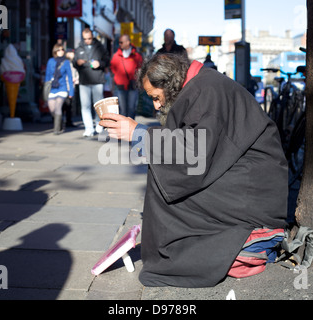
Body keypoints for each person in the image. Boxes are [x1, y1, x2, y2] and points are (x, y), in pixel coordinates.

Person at [99, 54, 288, 288]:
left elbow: (194, 152)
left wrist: (138, 133)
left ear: (170, 84)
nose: (157, 105)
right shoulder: (202, 85)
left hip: (253, 194)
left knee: (165, 177)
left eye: (156, 98)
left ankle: (237, 246)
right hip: (247, 180)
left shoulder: (206, 90)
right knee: (165, 170)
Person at [75, 28, 110, 137]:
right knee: (85, 105)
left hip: (97, 80)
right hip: (84, 81)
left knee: (98, 105)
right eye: (85, 39)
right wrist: (77, 62)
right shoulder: (79, 48)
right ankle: (88, 128)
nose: (87, 41)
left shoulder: (100, 47)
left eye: (89, 38)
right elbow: (74, 62)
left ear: (93, 36)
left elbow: (107, 60)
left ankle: (99, 126)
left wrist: (100, 63)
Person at [110, 34, 143, 119]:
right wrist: (115, 82)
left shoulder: (137, 56)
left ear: (128, 42)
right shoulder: (116, 56)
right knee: (123, 110)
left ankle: (131, 129)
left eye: (121, 42)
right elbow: (113, 69)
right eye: (119, 42)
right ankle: (123, 130)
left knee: (132, 109)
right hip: (121, 87)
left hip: (133, 86)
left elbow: (142, 69)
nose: (119, 44)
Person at [45, 43, 74, 135]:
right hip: (53, 88)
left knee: (58, 107)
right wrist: (46, 88)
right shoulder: (50, 61)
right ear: (55, 51)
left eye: (62, 50)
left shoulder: (66, 62)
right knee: (52, 109)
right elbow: (47, 76)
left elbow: (69, 77)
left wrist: (71, 92)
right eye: (59, 49)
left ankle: (56, 129)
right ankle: (59, 121)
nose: (61, 51)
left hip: (62, 88)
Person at [62, 48, 79, 128]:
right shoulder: (64, 63)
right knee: (64, 105)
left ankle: (68, 121)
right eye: (71, 53)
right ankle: (61, 122)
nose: (73, 55)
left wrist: (76, 79)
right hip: (65, 86)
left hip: (71, 86)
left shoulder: (73, 63)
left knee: (70, 106)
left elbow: (77, 74)